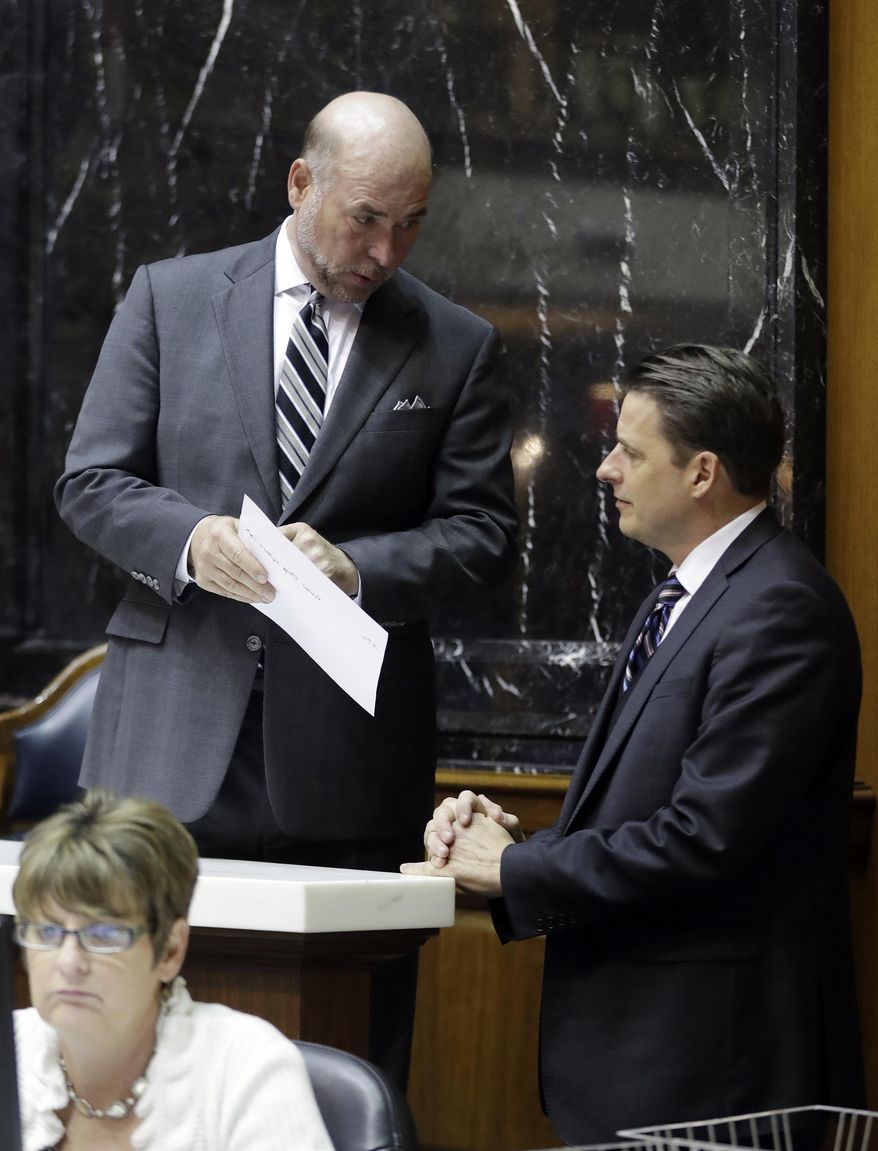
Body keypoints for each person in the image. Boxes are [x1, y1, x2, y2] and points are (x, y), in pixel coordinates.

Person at [54, 91, 518, 1080]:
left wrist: (359, 566)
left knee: (341, 1061)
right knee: (133, 1048)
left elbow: (481, 534)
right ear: (300, 183)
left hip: (348, 766)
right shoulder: (170, 298)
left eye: (410, 224)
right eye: (364, 217)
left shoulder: (454, 344)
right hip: (169, 749)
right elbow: (91, 481)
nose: (385, 249)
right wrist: (189, 539)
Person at [403, 344, 865, 1143]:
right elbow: (646, 806)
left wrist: (511, 869)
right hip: (646, 1061)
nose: (606, 468)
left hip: (714, 1070)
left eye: (631, 450)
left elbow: (702, 838)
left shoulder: (781, 609)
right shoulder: (681, 594)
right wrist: (510, 841)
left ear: (702, 473)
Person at [12, 788, 335, 1151]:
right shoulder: (12, 1052)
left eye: (104, 933)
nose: (69, 962)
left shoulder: (245, 1068)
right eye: (48, 931)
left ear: (170, 950)